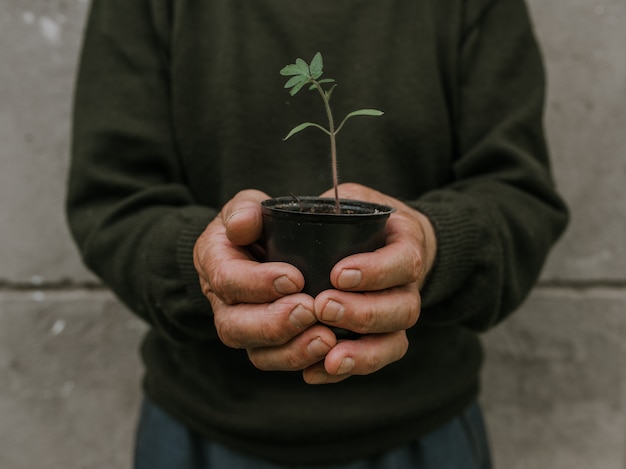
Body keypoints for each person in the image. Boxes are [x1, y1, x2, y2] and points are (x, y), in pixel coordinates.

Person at [66, 0, 569, 467]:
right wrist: (203, 267)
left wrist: (432, 245)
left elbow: (519, 195)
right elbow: (113, 200)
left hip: (424, 432)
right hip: (200, 432)